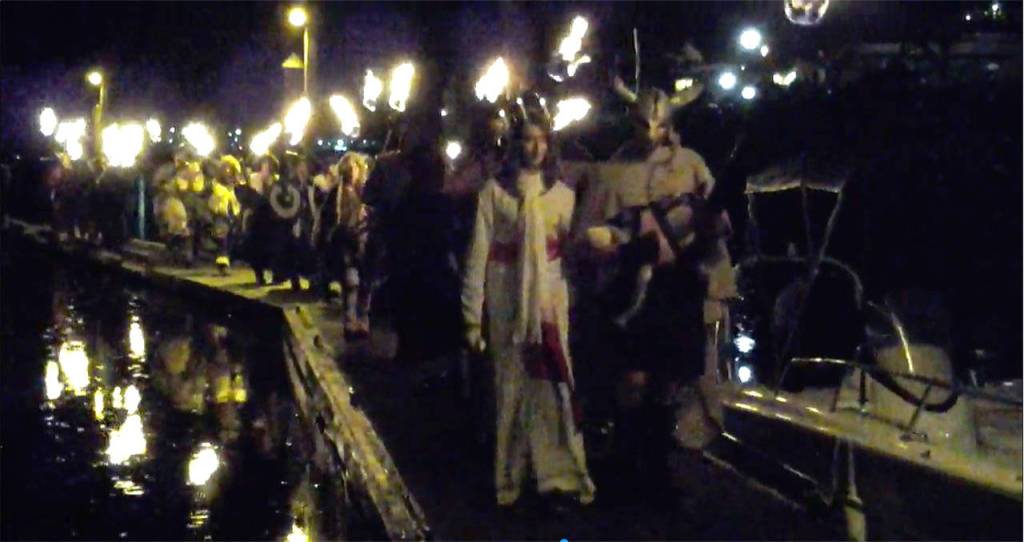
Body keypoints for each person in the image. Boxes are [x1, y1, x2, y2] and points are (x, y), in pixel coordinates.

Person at [582, 78, 735, 479]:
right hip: (632, 293)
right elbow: (594, 233)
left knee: (670, 381)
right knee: (632, 380)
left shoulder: (691, 164)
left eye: (659, 125)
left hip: (679, 288)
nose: (651, 134)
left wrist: (705, 230)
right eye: (642, 124)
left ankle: (657, 465)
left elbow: (718, 226)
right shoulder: (613, 170)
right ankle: (625, 460)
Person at [462, 93, 595, 507]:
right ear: (515, 143)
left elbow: (573, 254)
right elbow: (477, 257)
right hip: (506, 300)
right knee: (510, 387)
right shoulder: (493, 194)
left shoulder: (563, 195)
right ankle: (510, 477)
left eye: (541, 139)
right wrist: (472, 316)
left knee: (553, 384)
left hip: (551, 301)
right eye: (526, 139)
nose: (534, 147)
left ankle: (559, 476)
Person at [314, 152, 369, 334]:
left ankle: (363, 320)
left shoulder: (366, 191)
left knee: (366, 283)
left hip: (364, 240)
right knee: (351, 282)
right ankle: (349, 321)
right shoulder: (335, 193)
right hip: (345, 241)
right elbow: (327, 217)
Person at [208, 155, 243, 274]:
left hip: (234, 215)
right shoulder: (214, 186)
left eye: (230, 169)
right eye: (226, 169)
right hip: (218, 216)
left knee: (235, 233)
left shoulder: (236, 187)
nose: (228, 172)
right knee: (222, 231)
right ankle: (222, 263)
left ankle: (231, 258)